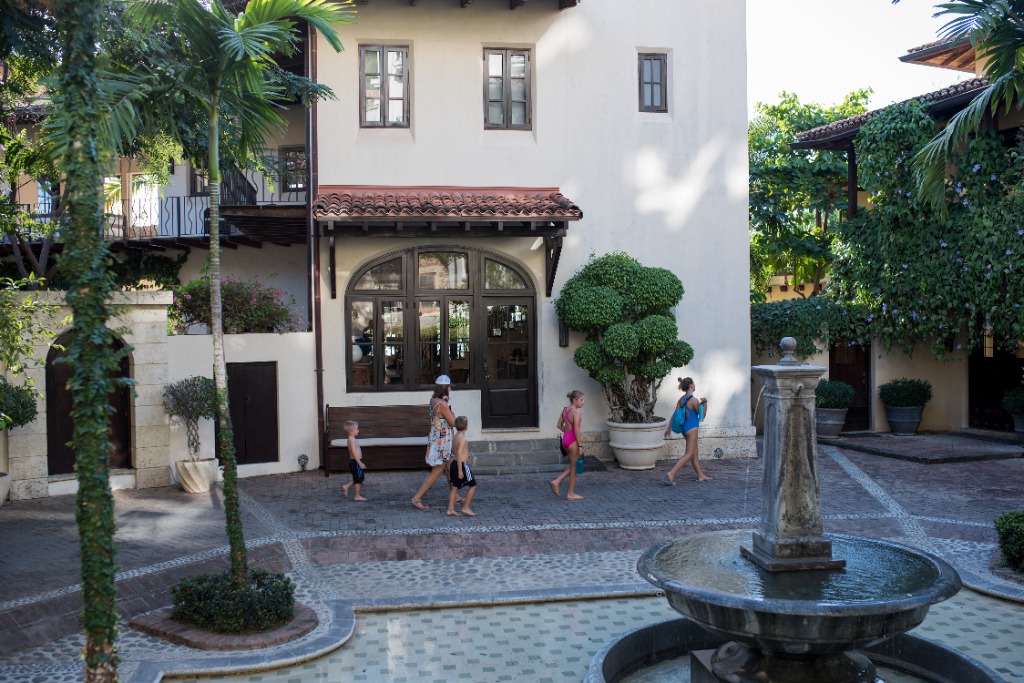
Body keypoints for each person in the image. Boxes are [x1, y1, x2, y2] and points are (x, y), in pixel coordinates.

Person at [411, 375, 457, 511]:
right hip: (442, 442)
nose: (450, 388)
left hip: (440, 439)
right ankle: (417, 497)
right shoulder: (442, 404)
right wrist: (452, 411)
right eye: (449, 386)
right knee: (437, 472)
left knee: (450, 469)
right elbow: (453, 422)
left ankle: (456, 495)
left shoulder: (434, 400)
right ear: (445, 387)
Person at [663, 377, 710, 485]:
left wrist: (668, 428)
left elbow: (675, 415)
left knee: (694, 453)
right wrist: (705, 403)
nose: (694, 385)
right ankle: (671, 474)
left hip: (685, 429)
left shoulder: (681, 399)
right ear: (691, 386)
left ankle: (701, 475)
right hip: (692, 428)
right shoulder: (694, 400)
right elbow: (702, 416)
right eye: (693, 383)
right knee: (689, 454)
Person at [549, 390, 585, 501]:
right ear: (574, 400)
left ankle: (563, 487)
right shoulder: (576, 412)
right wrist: (580, 445)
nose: (583, 402)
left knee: (573, 466)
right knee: (574, 468)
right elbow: (577, 430)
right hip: (573, 442)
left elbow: (559, 425)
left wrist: (567, 433)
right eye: (581, 400)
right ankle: (566, 490)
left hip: (565, 440)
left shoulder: (565, 410)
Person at [446, 416, 477, 516]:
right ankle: (466, 508)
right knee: (473, 485)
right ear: (466, 427)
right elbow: (459, 454)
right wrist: (460, 470)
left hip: (454, 463)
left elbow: (457, 452)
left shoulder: (455, 436)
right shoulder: (462, 439)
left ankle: (450, 509)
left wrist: (467, 456)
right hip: (461, 465)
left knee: (455, 488)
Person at [341, 421, 368, 501]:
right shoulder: (351, 440)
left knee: (358, 477)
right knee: (358, 479)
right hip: (355, 462)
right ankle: (357, 496)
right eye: (357, 429)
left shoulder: (351, 439)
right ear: (352, 431)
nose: (358, 430)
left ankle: (347, 486)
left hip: (355, 462)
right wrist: (359, 463)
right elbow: (353, 452)